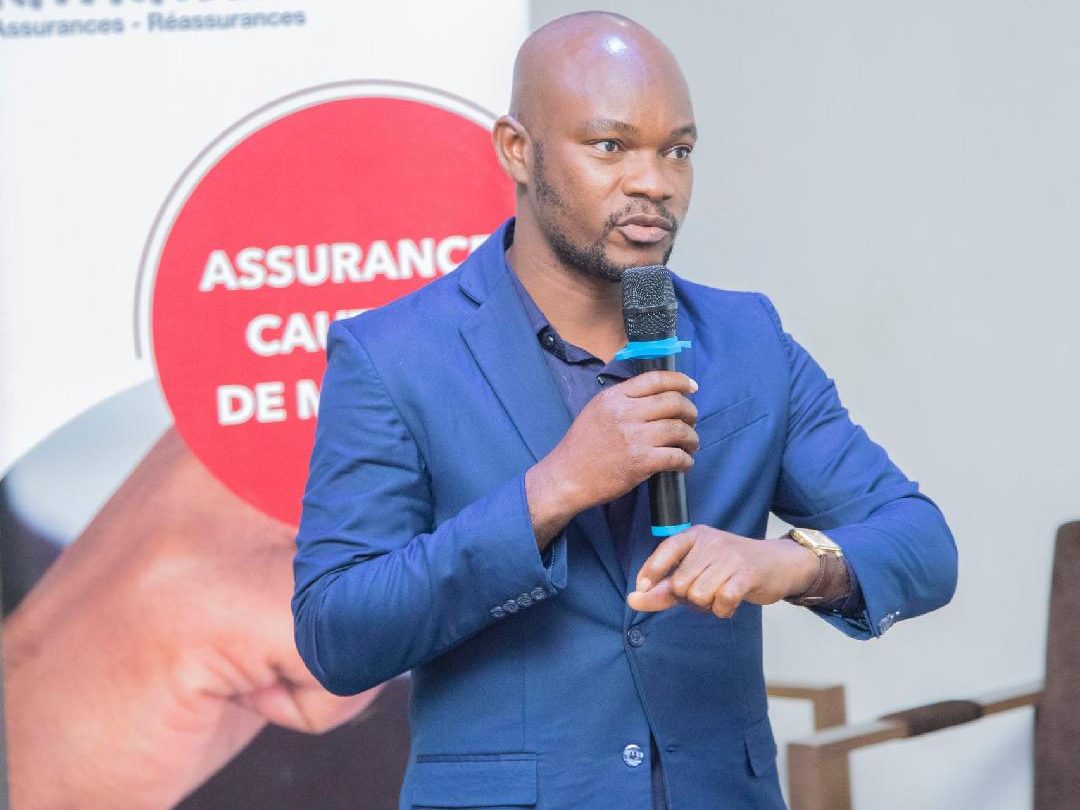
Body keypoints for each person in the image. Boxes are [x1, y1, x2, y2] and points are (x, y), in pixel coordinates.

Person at [292, 11, 957, 810]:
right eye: (611, 146)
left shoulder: (747, 337)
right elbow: (336, 634)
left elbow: (922, 543)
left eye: (677, 150)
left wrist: (789, 564)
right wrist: (552, 491)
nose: (654, 182)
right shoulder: (393, 354)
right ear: (517, 149)